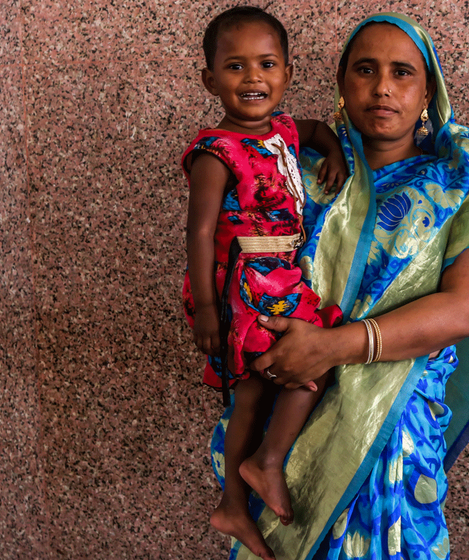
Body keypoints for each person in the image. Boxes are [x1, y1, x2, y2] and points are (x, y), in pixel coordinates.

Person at [209, 12, 469, 560]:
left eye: (402, 73)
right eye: (365, 70)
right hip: (284, 408)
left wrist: (329, 346)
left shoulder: (463, 179)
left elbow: (463, 312)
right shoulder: (288, 170)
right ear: (341, 84)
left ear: (428, 92)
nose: (382, 88)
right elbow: (234, 262)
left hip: (392, 426)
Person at [181, 6, 348, 560]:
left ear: (288, 73)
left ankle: (233, 503)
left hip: (280, 274)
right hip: (246, 286)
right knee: (308, 368)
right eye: (235, 66)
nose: (253, 78)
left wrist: (334, 155)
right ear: (210, 80)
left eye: (267, 64)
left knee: (254, 393)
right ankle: (265, 463)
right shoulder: (217, 151)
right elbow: (200, 232)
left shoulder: (280, 131)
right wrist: (206, 308)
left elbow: (320, 130)